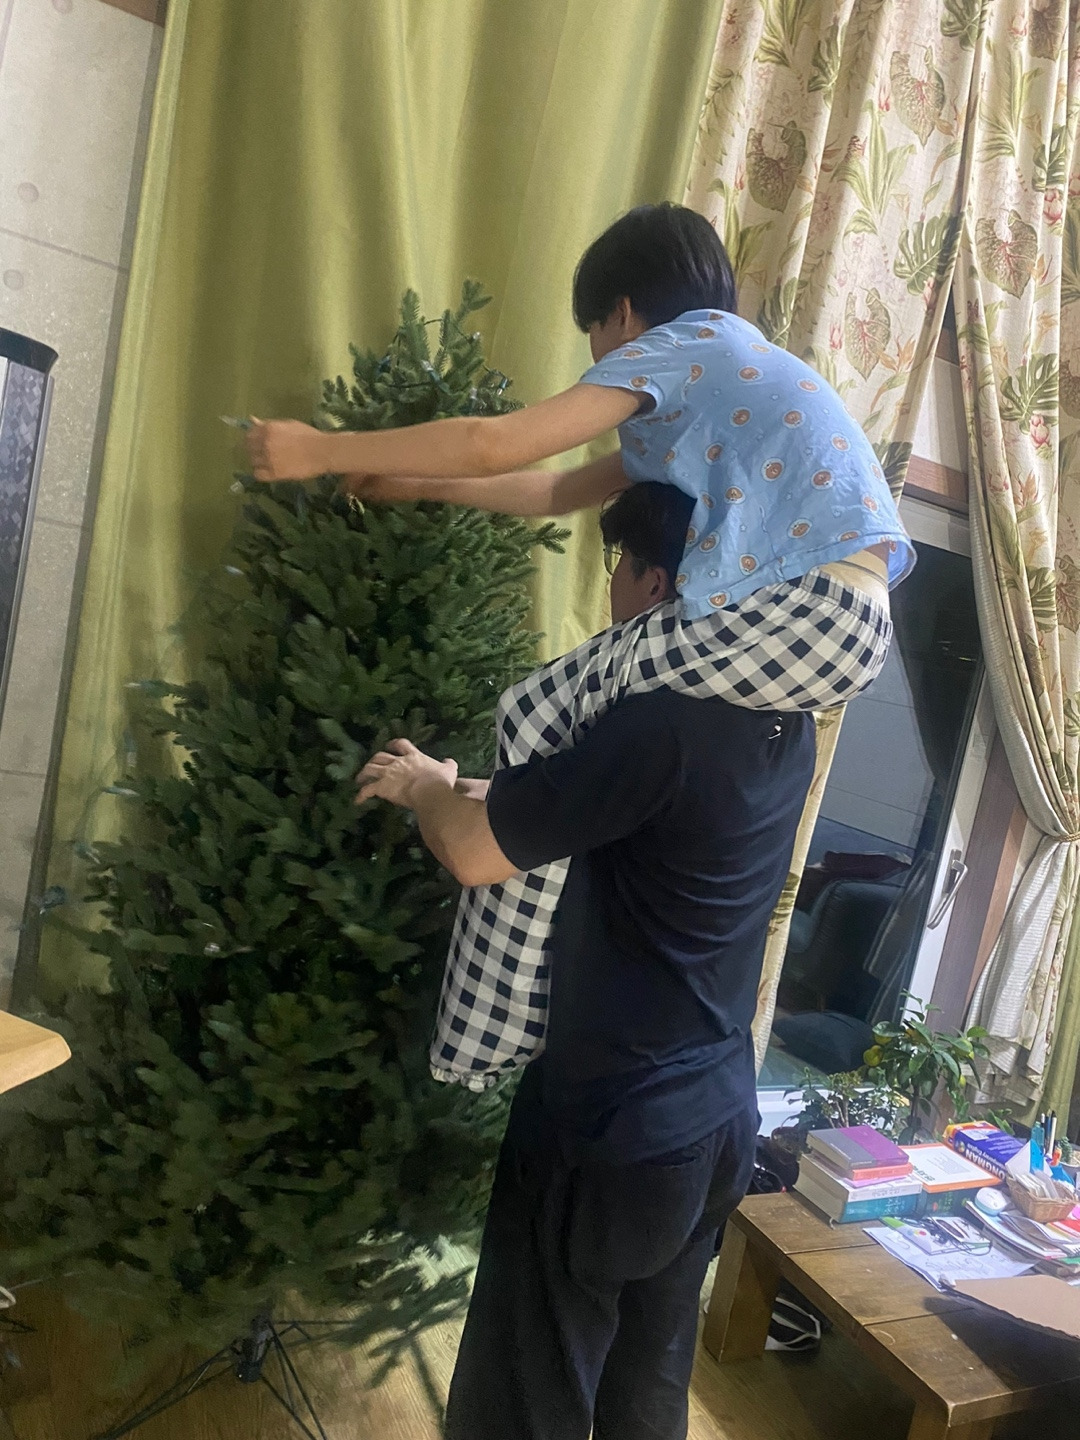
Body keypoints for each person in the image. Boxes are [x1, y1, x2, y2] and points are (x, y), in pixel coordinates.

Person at [245, 203, 912, 1091]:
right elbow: (559, 490)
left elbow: (496, 441)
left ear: (623, 314)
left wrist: (320, 450)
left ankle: (488, 1033)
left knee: (537, 709)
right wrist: (414, 484)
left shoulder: (686, 347)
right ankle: (508, 981)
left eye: (596, 337)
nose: (601, 361)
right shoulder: (722, 389)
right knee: (582, 720)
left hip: (804, 609)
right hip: (841, 624)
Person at [354, 482, 817, 1440]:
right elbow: (610, 817)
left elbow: (474, 853)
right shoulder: (784, 719)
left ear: (657, 584)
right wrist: (476, 789)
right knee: (647, 1384)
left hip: (610, 1124)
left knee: (529, 1393)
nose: (612, 589)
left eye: (618, 566)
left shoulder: (657, 723)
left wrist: (425, 787)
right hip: (716, 1117)